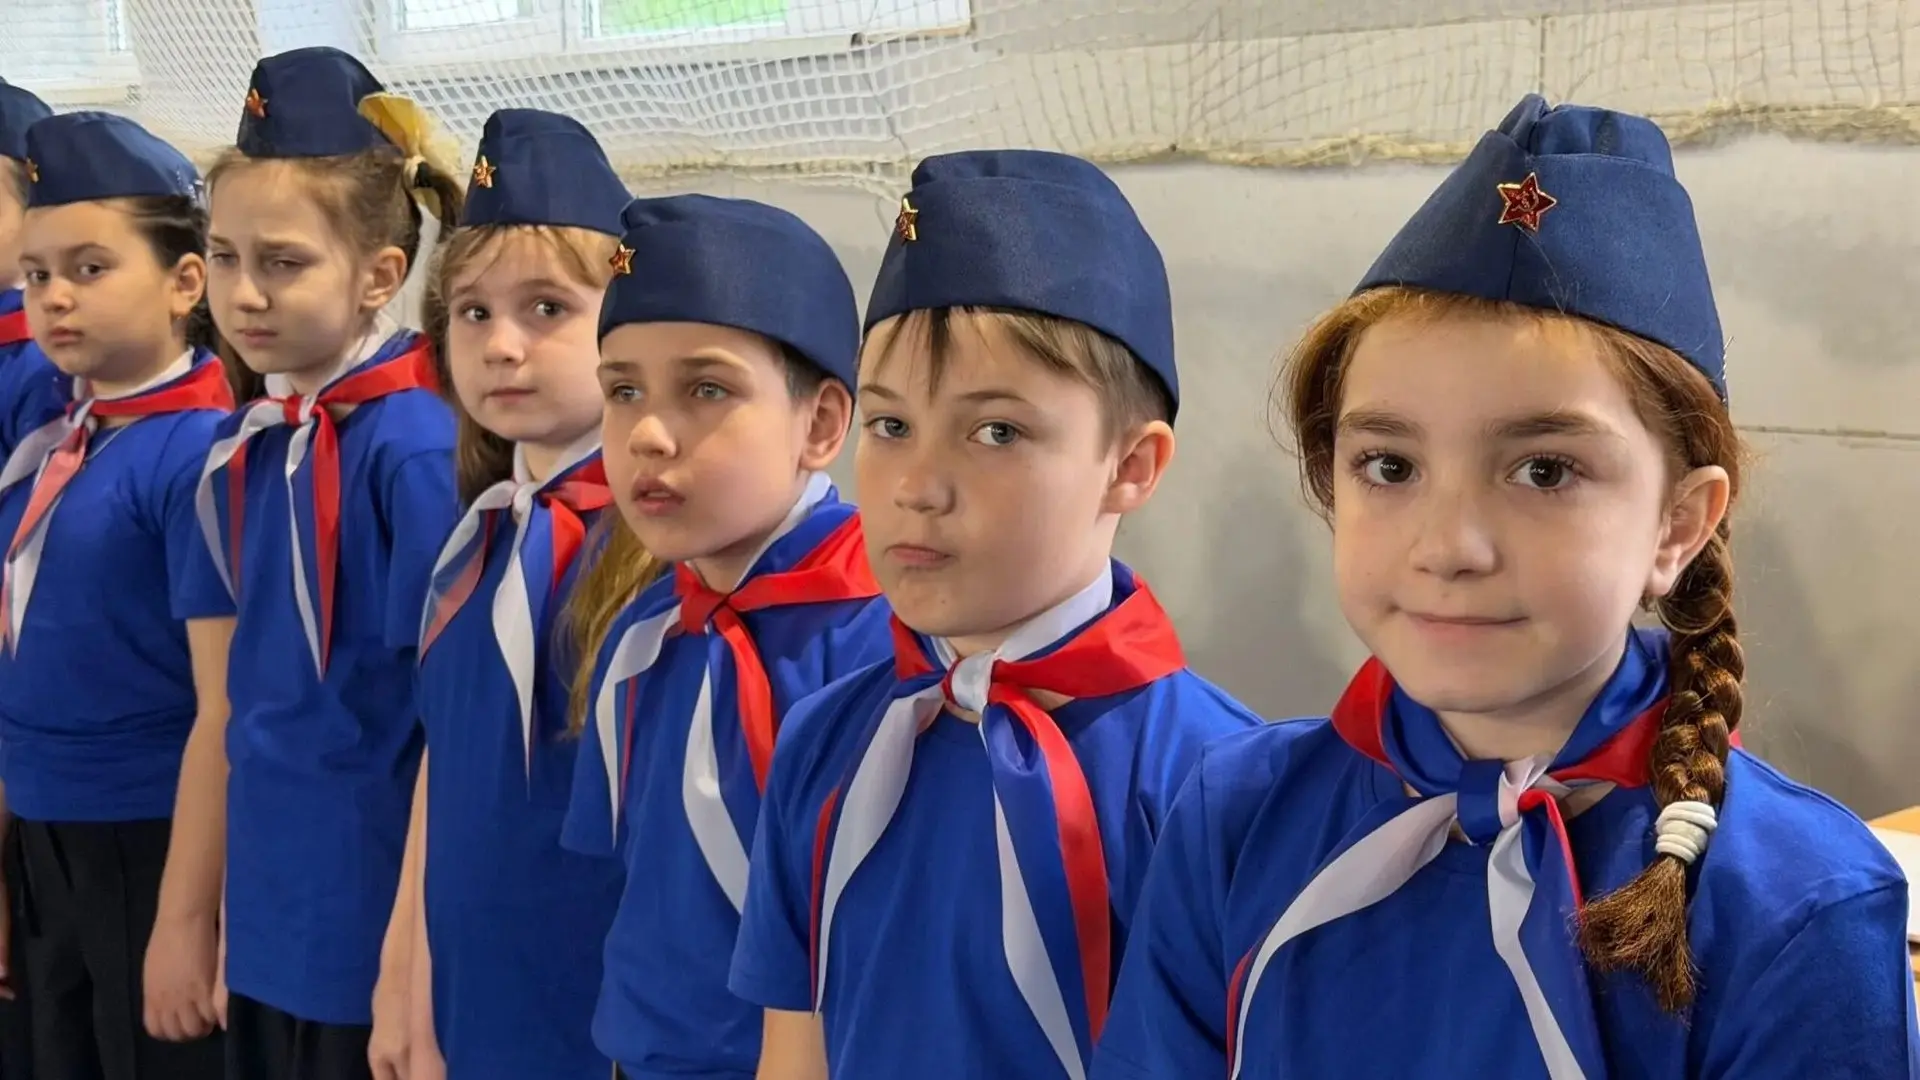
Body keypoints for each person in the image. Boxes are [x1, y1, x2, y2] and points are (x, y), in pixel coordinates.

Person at [1092, 94, 1920, 1079]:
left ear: (1678, 525)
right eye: (1390, 466)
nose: (1449, 547)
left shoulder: (1799, 904)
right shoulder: (1234, 818)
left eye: (1544, 471)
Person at [731, 149, 1263, 1080]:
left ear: (1131, 466)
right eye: (890, 426)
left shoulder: (1220, 782)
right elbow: (795, 1049)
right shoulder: (824, 741)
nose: (917, 487)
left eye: (996, 431)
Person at [559, 193, 892, 1080]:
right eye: (623, 391)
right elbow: (632, 885)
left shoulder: (887, 646)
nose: (648, 434)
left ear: (821, 424)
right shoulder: (641, 634)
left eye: (707, 389)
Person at [191, 45, 463, 1080]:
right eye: (224, 257)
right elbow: (248, 705)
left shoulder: (412, 449)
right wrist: (220, 910)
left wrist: (411, 957)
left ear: (380, 276)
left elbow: (443, 720)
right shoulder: (254, 438)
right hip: (274, 904)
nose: (244, 293)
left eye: (283, 262)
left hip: (369, 906)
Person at [369, 107, 634, 1080]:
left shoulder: (652, 560)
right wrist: (404, 975)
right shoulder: (476, 537)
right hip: (471, 1002)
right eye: (474, 313)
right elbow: (443, 763)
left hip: (594, 1017)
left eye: (547, 309)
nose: (501, 345)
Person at [2, 110, 236, 1080]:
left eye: (91, 269)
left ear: (186, 283)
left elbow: (225, 704)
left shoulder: (202, 456)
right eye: (38, 274)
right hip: (40, 835)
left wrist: (185, 918)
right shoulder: (49, 445)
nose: (56, 297)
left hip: (149, 839)